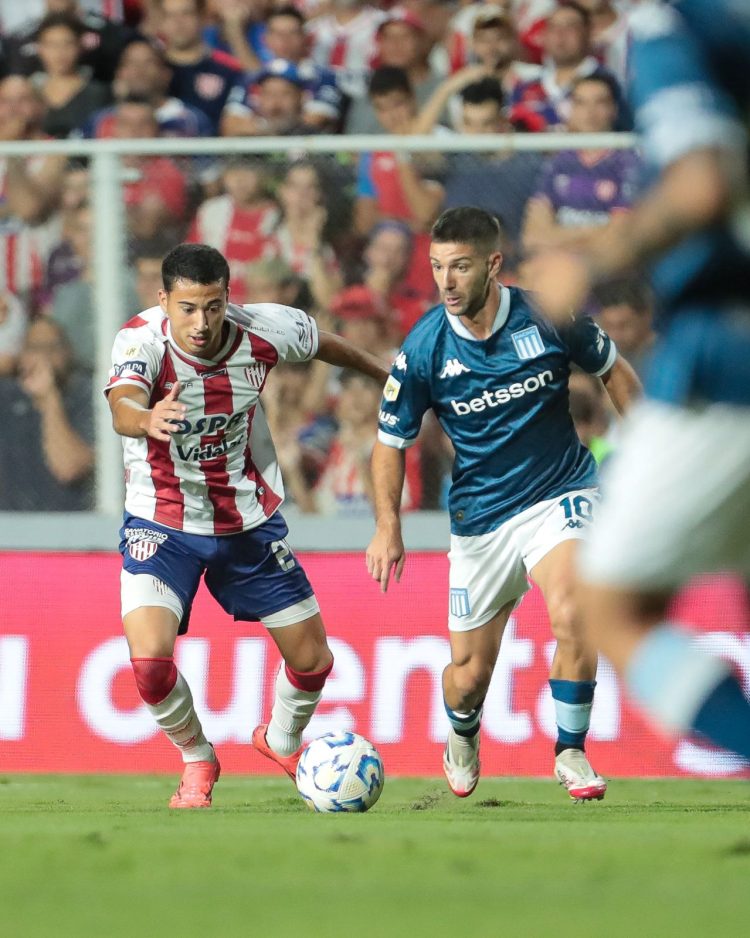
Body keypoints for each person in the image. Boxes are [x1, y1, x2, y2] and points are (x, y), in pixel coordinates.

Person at [531, 0, 750, 765]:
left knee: (613, 609)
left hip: (728, 360)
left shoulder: (677, 23)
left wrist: (590, 260)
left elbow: (700, 185)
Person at [365, 206, 640, 801]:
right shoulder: (425, 346)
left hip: (560, 492)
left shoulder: (547, 315)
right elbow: (389, 443)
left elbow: (614, 371)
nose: (446, 282)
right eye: (437, 266)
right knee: (467, 678)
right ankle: (462, 732)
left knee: (574, 609)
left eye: (460, 267)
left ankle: (570, 750)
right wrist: (387, 525)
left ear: (493, 264)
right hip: (480, 518)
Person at [105, 242, 389, 808]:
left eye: (212, 306)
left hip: (246, 522)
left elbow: (322, 343)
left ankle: (280, 740)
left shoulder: (263, 328)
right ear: (164, 301)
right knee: (150, 663)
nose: (201, 322)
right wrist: (146, 417)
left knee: (314, 661)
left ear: (227, 298)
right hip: (162, 522)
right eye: (187, 308)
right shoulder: (140, 341)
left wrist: (389, 377)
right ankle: (197, 757)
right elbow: (122, 405)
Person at [0, 317, 94, 510]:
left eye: (53, 347)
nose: (43, 356)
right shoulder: (8, 397)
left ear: (68, 352)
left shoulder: (86, 396)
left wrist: (49, 396)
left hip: (71, 523)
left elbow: (69, 467)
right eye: (35, 348)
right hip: (11, 524)